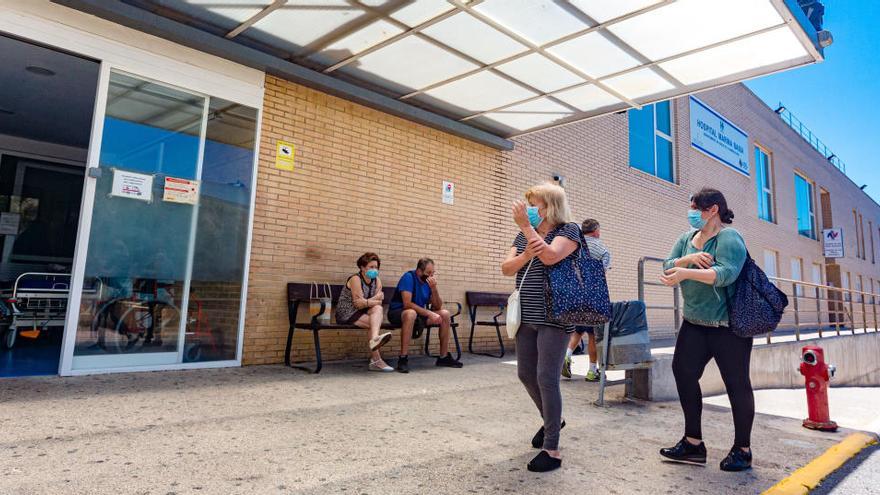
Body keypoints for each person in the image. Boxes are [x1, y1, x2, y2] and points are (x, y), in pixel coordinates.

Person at [658, 188, 752, 472]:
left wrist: (685, 273)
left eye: (695, 208)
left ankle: (743, 449)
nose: (691, 213)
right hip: (694, 323)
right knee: (683, 373)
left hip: (727, 328)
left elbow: (725, 274)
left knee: (736, 385)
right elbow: (666, 267)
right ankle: (693, 444)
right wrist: (687, 261)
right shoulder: (686, 239)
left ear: (713, 210)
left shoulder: (729, 237)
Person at [501, 182, 581, 473]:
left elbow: (549, 256)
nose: (529, 209)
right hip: (526, 315)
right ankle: (552, 420)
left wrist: (525, 227)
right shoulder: (523, 235)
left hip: (555, 316)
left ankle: (552, 448)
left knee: (547, 378)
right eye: (529, 204)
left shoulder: (569, 231)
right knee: (525, 374)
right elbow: (506, 267)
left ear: (550, 206)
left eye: (535, 204)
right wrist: (524, 253)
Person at [388, 258, 463, 373]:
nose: (430, 276)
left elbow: (437, 306)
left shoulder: (428, 283)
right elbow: (407, 304)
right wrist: (429, 313)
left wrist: (434, 289)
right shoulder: (408, 277)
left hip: (418, 314)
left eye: (433, 273)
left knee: (445, 314)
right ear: (419, 271)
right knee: (411, 313)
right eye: (428, 273)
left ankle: (443, 357)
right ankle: (403, 359)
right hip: (398, 313)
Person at [562, 218, 611, 382]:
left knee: (577, 330)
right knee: (592, 334)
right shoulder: (602, 249)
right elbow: (600, 273)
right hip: (592, 296)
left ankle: (566, 357)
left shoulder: (574, 244)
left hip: (574, 295)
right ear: (596, 231)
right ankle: (592, 371)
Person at [335, 252, 394, 372]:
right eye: (371, 267)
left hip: (364, 311)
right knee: (374, 323)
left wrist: (367, 302)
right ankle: (376, 361)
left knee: (378, 309)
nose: (374, 270)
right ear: (362, 267)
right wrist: (373, 300)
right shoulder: (355, 279)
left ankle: (375, 341)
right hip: (347, 312)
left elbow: (377, 303)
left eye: (376, 267)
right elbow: (358, 303)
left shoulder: (377, 280)